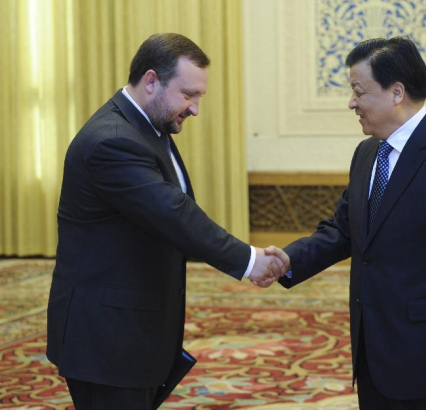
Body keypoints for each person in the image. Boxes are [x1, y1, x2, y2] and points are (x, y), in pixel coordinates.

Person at [46, 33, 287, 409]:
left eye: (199, 97)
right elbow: (174, 215)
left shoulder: (146, 128)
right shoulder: (111, 141)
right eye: (189, 95)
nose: (194, 109)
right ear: (152, 80)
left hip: (131, 331)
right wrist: (251, 261)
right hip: (105, 339)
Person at [270, 36, 426, 409]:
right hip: (373, 352)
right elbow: (343, 230)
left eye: (358, 91)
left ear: (396, 92)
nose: (351, 102)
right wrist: (286, 260)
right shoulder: (368, 153)